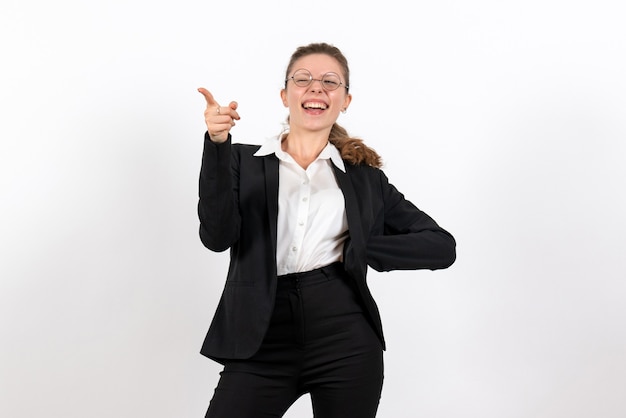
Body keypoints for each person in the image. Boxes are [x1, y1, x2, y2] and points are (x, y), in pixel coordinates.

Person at [196, 42, 456, 418]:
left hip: (345, 337)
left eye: (330, 82)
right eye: (303, 79)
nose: (316, 88)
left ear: (345, 100)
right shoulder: (243, 162)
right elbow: (216, 237)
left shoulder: (365, 180)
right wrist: (218, 146)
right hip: (260, 337)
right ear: (286, 95)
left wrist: (361, 249)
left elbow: (441, 247)